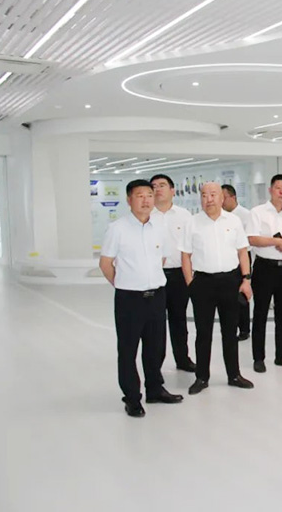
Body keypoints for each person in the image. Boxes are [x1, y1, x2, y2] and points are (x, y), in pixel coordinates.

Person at [99, 179, 184, 417]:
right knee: (128, 350)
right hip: (129, 299)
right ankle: (132, 398)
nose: (146, 200)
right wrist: (124, 284)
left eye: (149, 195)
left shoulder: (158, 227)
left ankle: (155, 389)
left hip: (156, 295)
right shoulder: (117, 228)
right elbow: (105, 263)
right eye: (140, 196)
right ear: (129, 200)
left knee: (156, 347)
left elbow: (162, 259)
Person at [180, 182, 254, 395]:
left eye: (213, 194)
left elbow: (243, 252)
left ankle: (234, 375)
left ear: (222, 198)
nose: (208, 199)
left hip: (230, 281)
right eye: (204, 195)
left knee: (230, 331)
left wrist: (246, 279)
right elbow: (185, 255)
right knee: (203, 333)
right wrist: (190, 283)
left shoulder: (233, 221)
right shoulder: (192, 223)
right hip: (203, 283)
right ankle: (202, 377)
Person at [247, 174, 282, 372]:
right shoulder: (257, 213)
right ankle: (258, 358)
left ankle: (281, 355)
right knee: (260, 313)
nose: (281, 192)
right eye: (278, 188)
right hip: (264, 268)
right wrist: (277, 242)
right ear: (270, 190)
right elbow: (252, 239)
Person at [150, 173, 196, 372]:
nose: (157, 189)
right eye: (153, 186)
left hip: (178, 275)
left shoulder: (184, 216)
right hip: (154, 275)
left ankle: (183, 359)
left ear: (172, 190)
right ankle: (155, 364)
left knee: (179, 320)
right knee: (156, 323)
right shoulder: (146, 215)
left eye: (162, 185)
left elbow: (191, 246)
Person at [222, 184, 253, 340]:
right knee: (228, 294)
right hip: (226, 258)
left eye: (223, 198)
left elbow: (248, 241)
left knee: (242, 293)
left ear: (233, 197)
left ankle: (244, 328)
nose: (221, 201)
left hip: (242, 256)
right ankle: (231, 327)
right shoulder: (220, 216)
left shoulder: (245, 215)